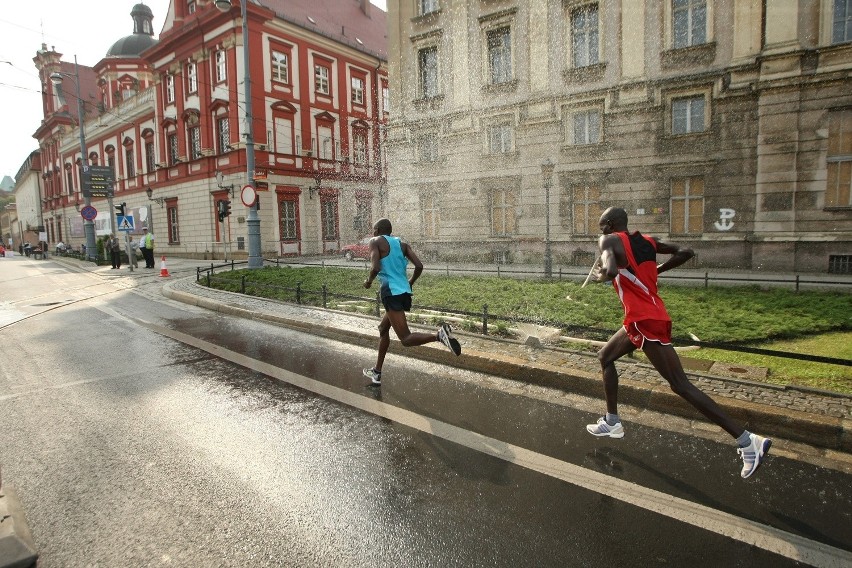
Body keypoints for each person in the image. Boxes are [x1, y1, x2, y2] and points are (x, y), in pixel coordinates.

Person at [586, 207, 771, 479]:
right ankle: (612, 421)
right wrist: (657, 269)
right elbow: (686, 251)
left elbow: (612, 270)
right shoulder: (648, 242)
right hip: (643, 318)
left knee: (680, 385)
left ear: (611, 224)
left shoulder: (609, 240)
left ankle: (747, 441)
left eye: (602, 225)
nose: (599, 231)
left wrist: (602, 274)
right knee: (605, 357)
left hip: (644, 320)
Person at [362, 218, 461, 385]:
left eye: (374, 230)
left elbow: (376, 267)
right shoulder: (402, 244)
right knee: (383, 328)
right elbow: (419, 266)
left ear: (378, 230)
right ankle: (377, 372)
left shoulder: (375, 241)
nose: (373, 233)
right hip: (404, 292)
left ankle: (439, 336)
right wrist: (410, 282)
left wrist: (369, 281)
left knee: (406, 339)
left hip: (390, 293)